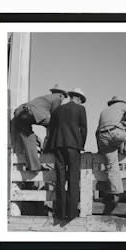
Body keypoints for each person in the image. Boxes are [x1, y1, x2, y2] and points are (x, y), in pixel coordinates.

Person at [47, 88, 87, 221]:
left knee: (60, 178)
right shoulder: (80, 109)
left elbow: (51, 129)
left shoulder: (58, 109)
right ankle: (71, 213)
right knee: (73, 178)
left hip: (58, 146)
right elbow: (84, 129)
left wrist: (51, 146)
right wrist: (81, 144)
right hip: (73, 147)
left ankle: (60, 212)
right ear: (79, 99)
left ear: (70, 96)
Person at [96, 96, 126, 205]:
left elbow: (97, 131)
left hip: (102, 138)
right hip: (115, 134)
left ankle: (115, 194)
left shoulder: (103, 112)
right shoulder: (121, 105)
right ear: (120, 102)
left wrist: (100, 149)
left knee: (112, 165)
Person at [10, 84, 68, 171]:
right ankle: (49, 147)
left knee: (30, 139)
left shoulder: (46, 98)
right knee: (56, 124)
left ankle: (35, 167)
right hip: (30, 112)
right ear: (61, 94)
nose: (63, 100)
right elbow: (55, 116)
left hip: (19, 113)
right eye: (64, 97)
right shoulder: (58, 98)